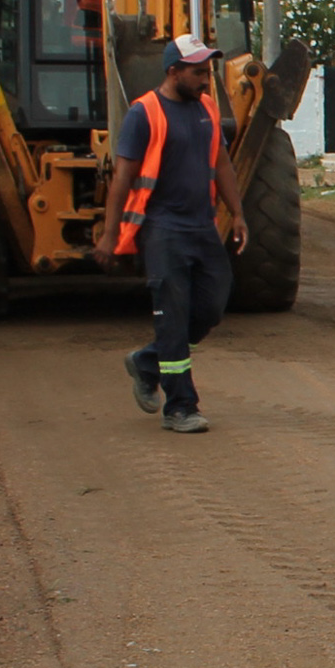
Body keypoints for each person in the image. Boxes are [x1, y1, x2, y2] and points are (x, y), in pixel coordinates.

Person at [93, 35, 247, 434]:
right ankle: (180, 406)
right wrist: (110, 236)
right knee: (173, 318)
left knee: (212, 306)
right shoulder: (143, 114)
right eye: (198, 73)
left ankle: (147, 362)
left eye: (207, 72)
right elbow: (122, 178)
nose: (205, 80)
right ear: (173, 72)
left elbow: (223, 164)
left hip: (202, 227)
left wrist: (239, 213)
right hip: (162, 230)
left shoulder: (208, 109)